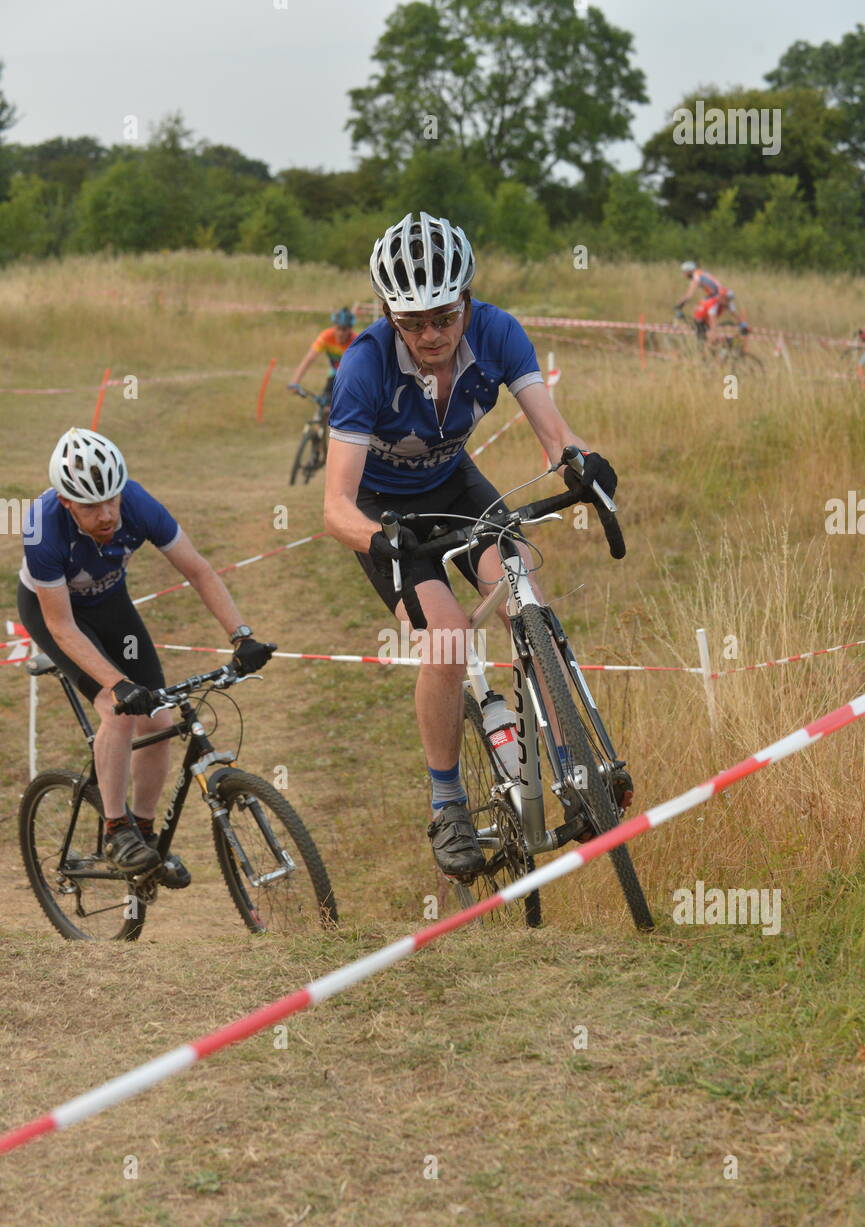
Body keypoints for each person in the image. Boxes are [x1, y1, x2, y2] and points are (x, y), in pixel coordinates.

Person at [323, 210, 619, 880]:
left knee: (526, 601)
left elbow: (552, 433)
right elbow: (333, 506)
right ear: (388, 314)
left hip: (454, 482)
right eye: (413, 322)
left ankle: (576, 768)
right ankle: (447, 802)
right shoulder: (364, 366)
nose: (431, 335)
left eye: (444, 316)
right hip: (384, 511)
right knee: (450, 637)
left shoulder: (497, 332)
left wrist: (582, 462)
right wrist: (381, 541)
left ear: (466, 300)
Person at [18, 428, 275, 879]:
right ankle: (116, 830)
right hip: (56, 614)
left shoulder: (138, 505)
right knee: (117, 710)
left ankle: (143, 833)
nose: (108, 515)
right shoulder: (42, 528)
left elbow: (197, 569)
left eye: (112, 500)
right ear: (65, 502)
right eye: (92, 506)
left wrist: (241, 635)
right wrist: (117, 685)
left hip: (110, 604)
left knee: (158, 718)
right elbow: (61, 627)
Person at [288, 307, 358, 414]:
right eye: (338, 328)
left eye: (344, 329)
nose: (340, 333)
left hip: (350, 378)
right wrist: (295, 382)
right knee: (324, 406)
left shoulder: (355, 342)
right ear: (333, 326)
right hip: (334, 375)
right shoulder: (326, 336)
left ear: (350, 329)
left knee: (340, 410)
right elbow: (309, 359)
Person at [676, 260, 747, 342]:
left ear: (689, 271)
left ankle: (710, 335)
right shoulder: (702, 272)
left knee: (699, 316)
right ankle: (743, 325)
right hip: (721, 293)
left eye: (684, 272)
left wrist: (680, 303)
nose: (683, 274)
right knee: (731, 311)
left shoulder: (696, 276)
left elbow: (689, 294)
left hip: (716, 296)